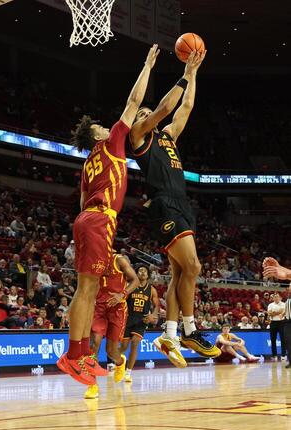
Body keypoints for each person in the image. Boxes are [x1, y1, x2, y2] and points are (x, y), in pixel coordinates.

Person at [57, 44, 160, 385]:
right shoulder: (112, 142)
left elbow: (83, 198)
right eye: (102, 125)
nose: (107, 126)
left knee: (86, 288)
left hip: (87, 217)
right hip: (100, 220)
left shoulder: (88, 163)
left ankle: (83, 353)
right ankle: (74, 356)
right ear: (97, 134)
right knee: (87, 290)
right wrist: (146, 66)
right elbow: (133, 104)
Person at [127, 50, 220, 368]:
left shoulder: (167, 137)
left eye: (146, 114)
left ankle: (169, 334)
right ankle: (191, 330)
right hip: (163, 203)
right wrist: (183, 74)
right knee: (193, 267)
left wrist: (193, 73)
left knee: (181, 272)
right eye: (143, 114)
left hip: (181, 203)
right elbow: (167, 107)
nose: (146, 116)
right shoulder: (139, 137)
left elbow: (185, 107)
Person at [84, 253, 139, 399]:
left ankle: (120, 362)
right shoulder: (93, 260)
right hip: (99, 307)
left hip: (118, 308)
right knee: (94, 342)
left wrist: (122, 294)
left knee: (111, 351)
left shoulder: (118, 260)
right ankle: (92, 385)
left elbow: (135, 280)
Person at [120, 264, 159, 382]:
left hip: (142, 320)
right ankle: (117, 364)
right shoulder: (130, 286)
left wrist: (153, 315)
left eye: (144, 271)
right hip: (128, 318)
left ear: (148, 275)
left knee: (135, 343)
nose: (142, 272)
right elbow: (122, 301)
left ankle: (128, 372)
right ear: (136, 274)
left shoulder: (151, 289)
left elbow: (157, 305)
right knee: (123, 347)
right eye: (140, 271)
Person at [267, 292, 286, 361]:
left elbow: (283, 312)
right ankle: (274, 355)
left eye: (277, 296)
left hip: (281, 322)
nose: (276, 298)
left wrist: (274, 312)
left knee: (283, 339)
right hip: (273, 323)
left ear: (280, 297)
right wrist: (278, 312)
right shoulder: (270, 305)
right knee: (273, 339)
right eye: (275, 297)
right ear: (273, 298)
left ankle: (283, 355)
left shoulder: (284, 304)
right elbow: (269, 314)